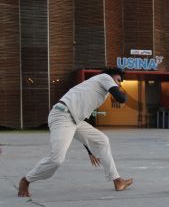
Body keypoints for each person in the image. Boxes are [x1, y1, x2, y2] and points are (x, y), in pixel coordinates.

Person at [18, 68, 133, 197]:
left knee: (102, 140)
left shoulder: (98, 90)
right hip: (62, 115)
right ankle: (26, 180)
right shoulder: (104, 78)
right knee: (57, 160)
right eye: (118, 80)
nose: (119, 84)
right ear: (110, 77)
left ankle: (117, 180)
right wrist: (125, 95)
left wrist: (90, 151)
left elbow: (80, 119)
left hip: (75, 120)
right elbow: (120, 98)